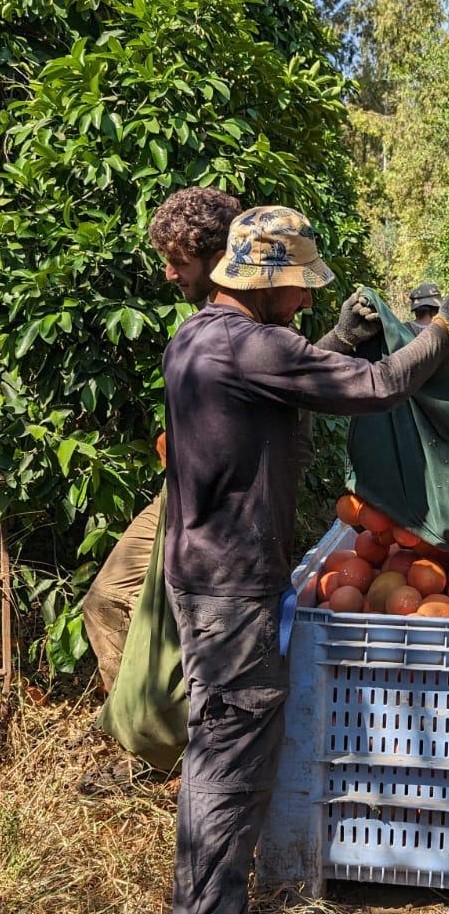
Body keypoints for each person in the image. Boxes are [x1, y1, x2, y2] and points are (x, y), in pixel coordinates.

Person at [162, 204, 449, 914]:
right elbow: (377, 387)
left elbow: (280, 388)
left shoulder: (201, 336)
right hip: (230, 584)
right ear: (265, 280)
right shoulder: (249, 345)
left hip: (208, 573)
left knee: (223, 741)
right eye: (300, 286)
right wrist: (444, 330)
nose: (307, 298)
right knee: (228, 754)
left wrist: (338, 338)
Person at [81, 187, 242, 694]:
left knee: (175, 621)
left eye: (179, 262)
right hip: (180, 493)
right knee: (107, 600)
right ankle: (150, 726)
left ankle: (177, 735)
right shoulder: (205, 324)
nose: (169, 274)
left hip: (214, 510)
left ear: (218, 260)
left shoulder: (249, 318)